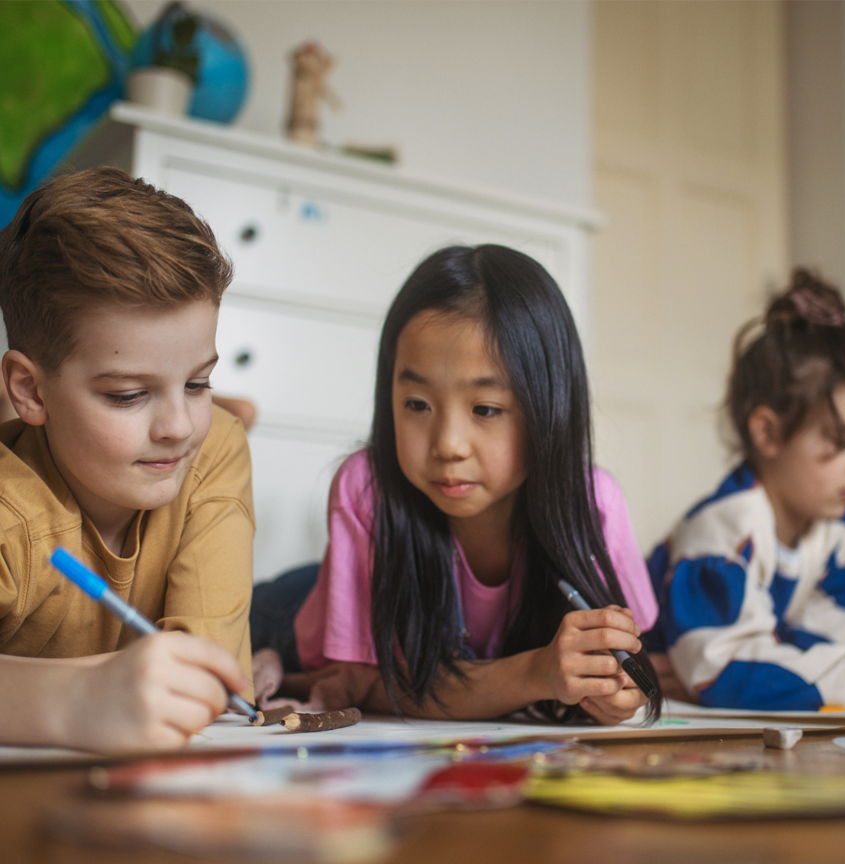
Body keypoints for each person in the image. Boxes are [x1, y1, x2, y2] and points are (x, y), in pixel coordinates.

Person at [253, 244, 661, 724]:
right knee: (220, 647)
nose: (448, 445)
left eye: (485, 409)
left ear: (549, 409)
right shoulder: (366, 491)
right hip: (292, 613)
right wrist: (535, 673)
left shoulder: (595, 505)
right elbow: (363, 684)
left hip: (384, 622)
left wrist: (610, 692)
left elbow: (629, 668)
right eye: (417, 404)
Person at [0, 167, 254, 753]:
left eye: (198, 383)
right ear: (31, 391)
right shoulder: (13, 518)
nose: (178, 428)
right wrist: (74, 702)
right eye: (128, 395)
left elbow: (205, 682)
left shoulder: (214, 443)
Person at [648, 270, 845, 710]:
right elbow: (725, 669)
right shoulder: (725, 530)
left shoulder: (833, 523)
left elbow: (828, 633)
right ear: (767, 433)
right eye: (841, 442)